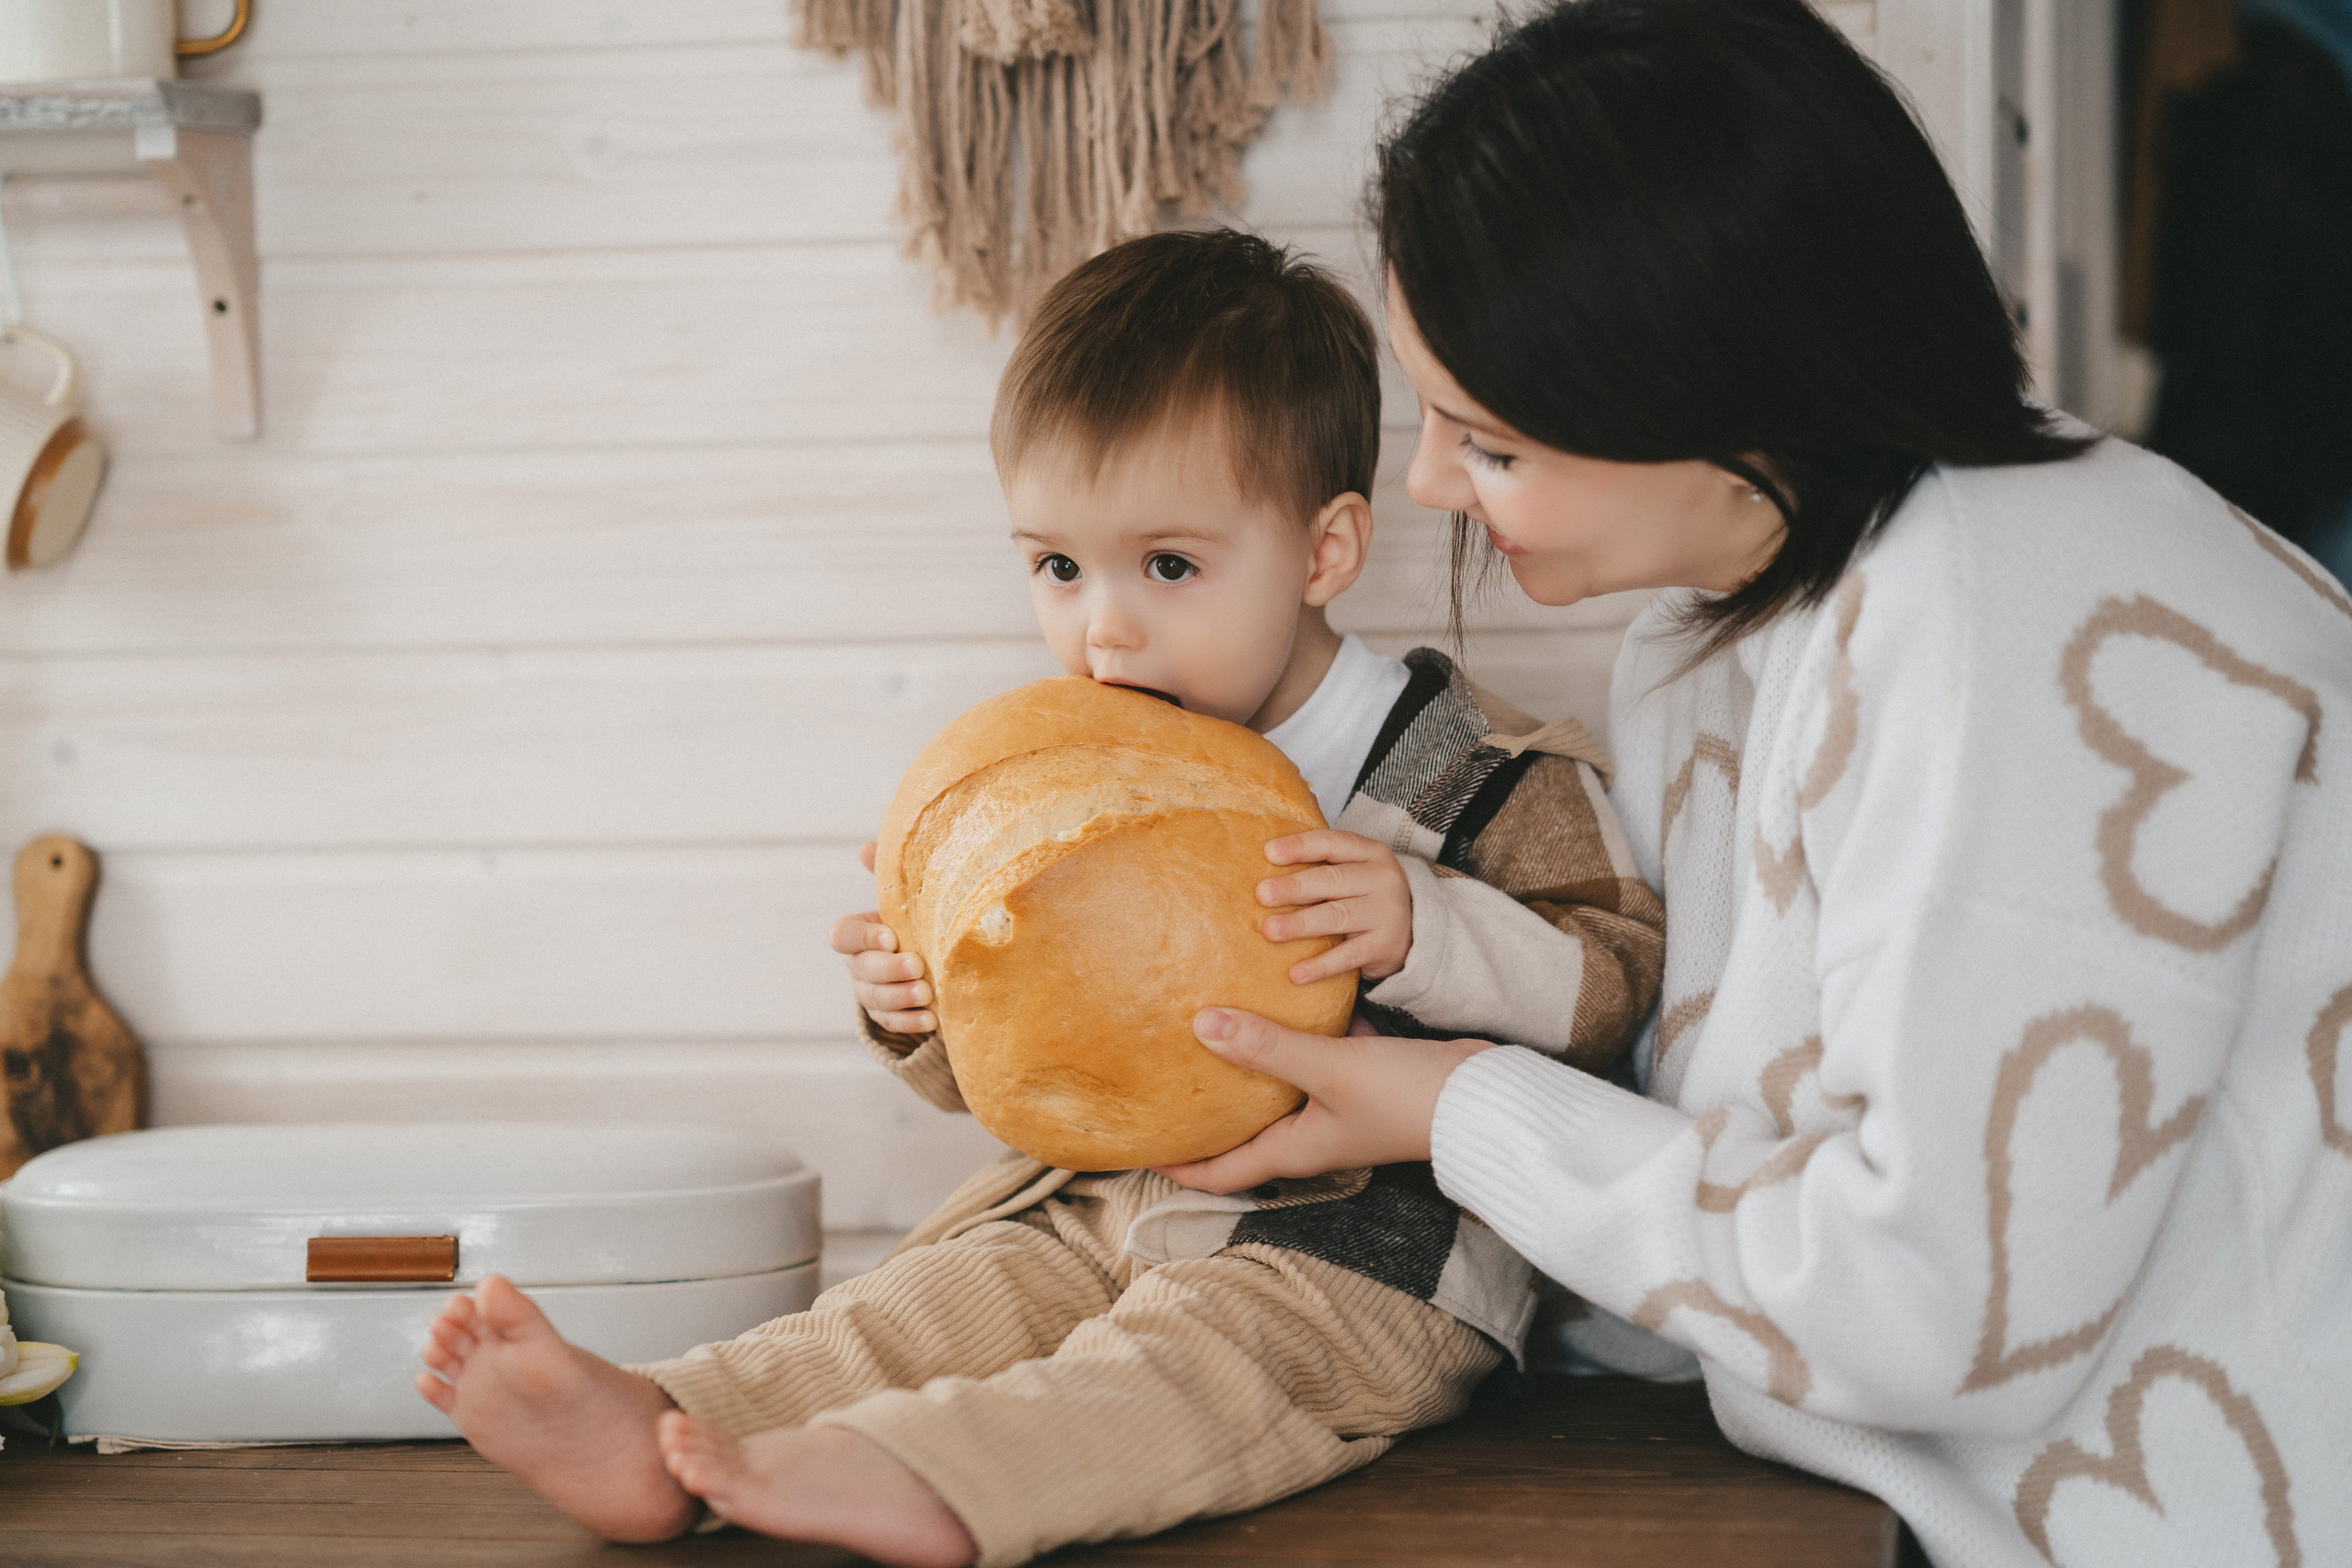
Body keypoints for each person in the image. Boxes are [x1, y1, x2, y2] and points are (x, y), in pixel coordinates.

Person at [1159, 3, 2352, 1564]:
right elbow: (1738, 1145)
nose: (1433, 483)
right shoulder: (1725, 617)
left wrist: (1457, 1110)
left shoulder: (2027, 624)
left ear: (1724, 403)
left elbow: (1932, 1308)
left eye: (1489, 441)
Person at [414, 229, 1664, 1567]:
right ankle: (667, 1422)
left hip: (1368, 1249)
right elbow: (1043, 1067)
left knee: (1181, 1372)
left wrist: (1429, 930)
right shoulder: (1057, 768)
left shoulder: (1481, 770)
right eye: (1058, 568)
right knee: (917, 1307)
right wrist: (919, 1010)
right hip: (1100, 1199)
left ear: (1325, 549)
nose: (1104, 632)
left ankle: (923, 1478)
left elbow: (1613, 989)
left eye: (1168, 567)